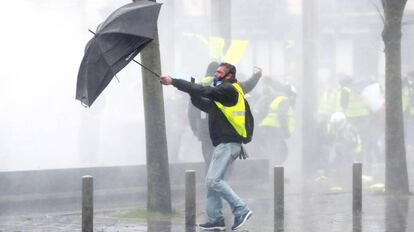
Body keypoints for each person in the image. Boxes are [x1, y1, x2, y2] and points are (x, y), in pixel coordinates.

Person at [159, 62, 253, 231]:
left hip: (227, 143)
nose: (216, 75)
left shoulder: (228, 89)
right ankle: (215, 218)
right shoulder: (226, 95)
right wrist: (192, 93)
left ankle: (241, 209)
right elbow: (206, 105)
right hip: (226, 143)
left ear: (229, 76)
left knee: (214, 180)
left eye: (219, 72)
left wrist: (173, 81)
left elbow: (205, 91)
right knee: (212, 182)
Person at [188, 61, 262, 168]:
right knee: (225, 161)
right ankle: (222, 180)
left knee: (209, 160)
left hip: (205, 131)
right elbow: (247, 85)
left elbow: (192, 111)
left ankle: (210, 180)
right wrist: (256, 75)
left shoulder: (199, 86)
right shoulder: (227, 86)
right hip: (224, 130)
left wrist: (195, 129)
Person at [257, 80, 296, 166]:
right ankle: (275, 175)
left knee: (270, 150)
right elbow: (281, 115)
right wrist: (286, 131)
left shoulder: (273, 97)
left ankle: (271, 173)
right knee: (276, 151)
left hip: (267, 127)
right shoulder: (284, 99)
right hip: (275, 128)